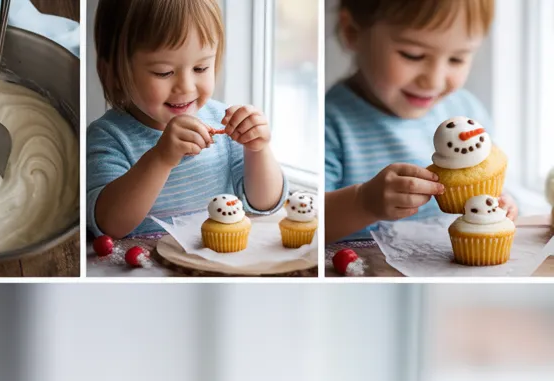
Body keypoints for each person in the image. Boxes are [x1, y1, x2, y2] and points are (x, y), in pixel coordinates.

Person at [87, 0, 285, 240]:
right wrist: (161, 158)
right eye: (164, 72)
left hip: (217, 259)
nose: (186, 86)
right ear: (115, 73)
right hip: (145, 262)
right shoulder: (108, 137)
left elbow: (265, 204)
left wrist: (258, 149)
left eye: (200, 68)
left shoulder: (224, 122)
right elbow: (110, 224)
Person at [325, 0, 518, 243]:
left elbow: (490, 184)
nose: (434, 81)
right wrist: (363, 202)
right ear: (352, 32)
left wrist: (503, 204)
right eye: (413, 55)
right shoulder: (331, 123)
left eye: (456, 59)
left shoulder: (466, 110)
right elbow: (316, 221)